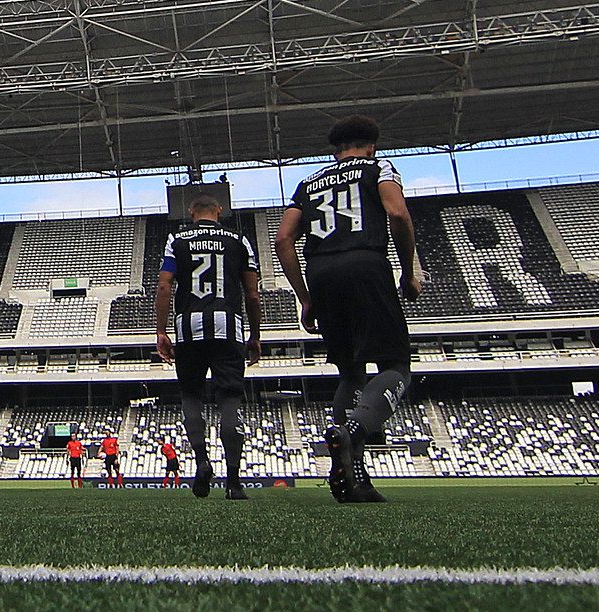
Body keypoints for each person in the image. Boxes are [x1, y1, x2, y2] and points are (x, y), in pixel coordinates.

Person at [274, 115, 420, 504]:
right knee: (396, 366)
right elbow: (397, 213)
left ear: (334, 150)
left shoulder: (310, 183)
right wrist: (408, 272)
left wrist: (305, 296)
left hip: (321, 272)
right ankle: (354, 430)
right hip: (365, 263)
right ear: (371, 145)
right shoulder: (379, 167)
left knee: (349, 372)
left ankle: (354, 476)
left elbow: (284, 238)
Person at [155, 192, 261, 499]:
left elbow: (164, 286)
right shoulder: (239, 241)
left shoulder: (177, 241)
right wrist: (254, 335)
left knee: (191, 396)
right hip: (228, 326)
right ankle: (234, 481)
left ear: (191, 213)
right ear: (219, 211)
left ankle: (202, 461)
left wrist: (161, 331)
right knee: (229, 399)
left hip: (188, 328)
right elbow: (252, 294)